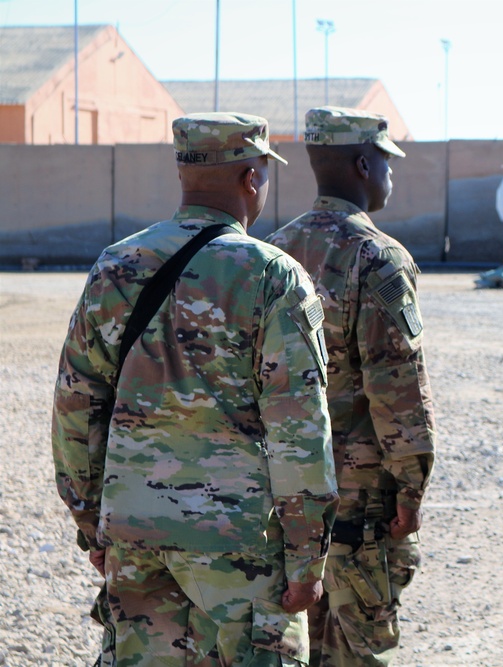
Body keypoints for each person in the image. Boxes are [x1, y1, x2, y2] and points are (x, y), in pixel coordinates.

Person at [52, 112, 339, 666]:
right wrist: (307, 557)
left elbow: (74, 404)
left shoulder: (116, 264)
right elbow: (298, 423)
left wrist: (93, 523)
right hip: (237, 542)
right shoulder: (270, 275)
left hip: (134, 530)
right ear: (250, 178)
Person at [267, 107, 436, 666]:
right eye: (387, 160)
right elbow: (398, 390)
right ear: (363, 164)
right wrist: (410, 492)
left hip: (285, 494)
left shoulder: (271, 255)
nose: (392, 173)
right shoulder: (378, 259)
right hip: (359, 503)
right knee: (356, 651)